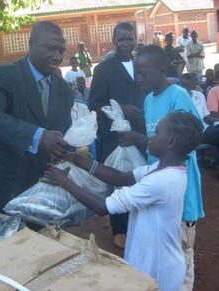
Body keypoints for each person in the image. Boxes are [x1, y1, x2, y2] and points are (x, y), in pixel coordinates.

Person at [44, 111, 203, 291]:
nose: (151, 137)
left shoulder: (161, 181)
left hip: (158, 270)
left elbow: (103, 207)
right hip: (155, 263)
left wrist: (64, 181)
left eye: (157, 132)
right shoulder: (163, 170)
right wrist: (77, 159)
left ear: (171, 142)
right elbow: (118, 178)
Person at [117, 45, 204, 290]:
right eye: (137, 73)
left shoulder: (178, 95)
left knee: (181, 252)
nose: (139, 78)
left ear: (162, 70)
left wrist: (139, 139)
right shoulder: (148, 99)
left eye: (144, 73)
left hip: (179, 193)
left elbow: (188, 145)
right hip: (156, 186)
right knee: (160, 252)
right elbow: (156, 144)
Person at [0, 21, 72, 213]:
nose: (57, 56)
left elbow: (63, 132)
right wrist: (38, 136)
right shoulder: (6, 75)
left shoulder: (64, 90)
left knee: (44, 240)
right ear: (31, 44)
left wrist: (66, 154)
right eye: (51, 48)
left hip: (47, 185)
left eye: (61, 50)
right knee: (9, 240)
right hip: (9, 184)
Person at [88, 22, 146, 249]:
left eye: (129, 39)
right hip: (117, 138)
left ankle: (140, 223)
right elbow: (94, 104)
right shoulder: (103, 70)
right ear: (113, 40)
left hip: (141, 134)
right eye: (120, 39)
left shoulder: (142, 64)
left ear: (135, 39)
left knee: (140, 178)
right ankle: (120, 229)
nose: (125, 43)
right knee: (118, 182)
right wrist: (122, 108)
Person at [179, 73, 219, 166]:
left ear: (194, 84)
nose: (186, 88)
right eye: (183, 85)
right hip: (192, 133)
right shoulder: (178, 97)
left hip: (205, 128)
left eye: (189, 85)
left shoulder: (199, 95)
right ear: (180, 83)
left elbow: (207, 116)